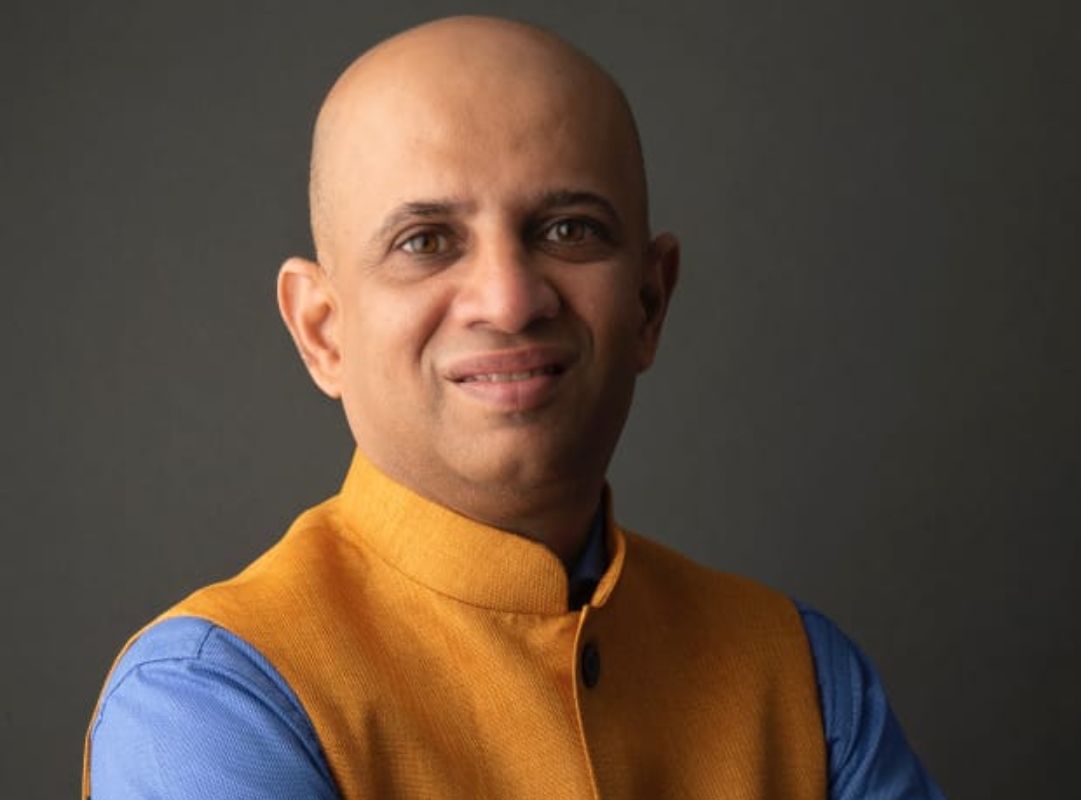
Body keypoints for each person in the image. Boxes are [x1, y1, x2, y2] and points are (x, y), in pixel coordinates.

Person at [83, 15, 944, 799]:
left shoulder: (803, 677)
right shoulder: (213, 705)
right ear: (323, 331)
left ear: (649, 303)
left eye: (568, 230)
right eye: (426, 242)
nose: (509, 299)